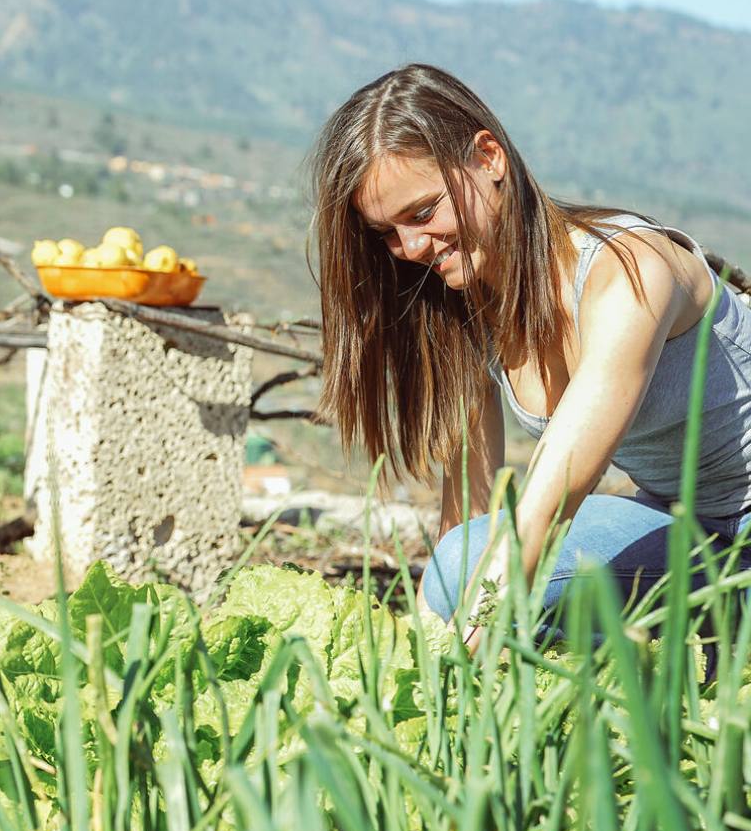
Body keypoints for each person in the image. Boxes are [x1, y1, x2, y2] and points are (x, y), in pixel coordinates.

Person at [306, 63, 751, 648]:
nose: (410, 248)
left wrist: (470, 616)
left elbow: (554, 496)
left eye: (422, 213)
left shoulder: (629, 270)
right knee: (462, 568)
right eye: (387, 232)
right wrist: (418, 651)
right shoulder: (468, 306)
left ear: (489, 158)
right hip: (683, 529)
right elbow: (464, 514)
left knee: (485, 577)